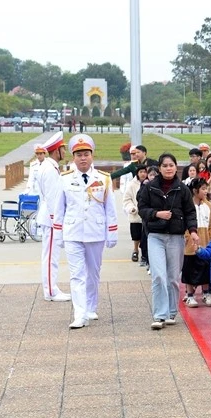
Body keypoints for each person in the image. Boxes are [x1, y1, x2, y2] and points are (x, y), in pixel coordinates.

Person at [51, 135, 118, 329]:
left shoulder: (103, 179)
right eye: (79, 154)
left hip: (95, 232)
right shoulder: (64, 179)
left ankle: (90, 306)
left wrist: (111, 233)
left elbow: (110, 209)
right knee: (77, 275)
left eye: (86, 154)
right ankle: (79, 314)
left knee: (93, 273)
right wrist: (58, 235)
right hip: (73, 232)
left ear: (92, 155)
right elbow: (59, 209)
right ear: (73, 157)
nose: (83, 158)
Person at [137, 153, 200, 330]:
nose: (168, 168)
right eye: (164, 165)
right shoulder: (149, 188)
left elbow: (190, 212)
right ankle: (159, 315)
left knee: (172, 277)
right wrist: (156, 214)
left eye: (171, 165)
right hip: (155, 236)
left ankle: (172, 311)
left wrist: (193, 231)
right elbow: (142, 209)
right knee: (158, 275)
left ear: (176, 167)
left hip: (176, 237)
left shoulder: (182, 189)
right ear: (159, 168)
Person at [36, 132, 70, 302]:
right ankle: (50, 291)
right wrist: (57, 223)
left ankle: (51, 288)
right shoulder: (50, 169)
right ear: (57, 150)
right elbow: (52, 199)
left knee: (51, 256)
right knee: (50, 257)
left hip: (50, 219)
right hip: (51, 220)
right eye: (63, 148)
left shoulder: (50, 167)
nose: (65, 152)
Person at [182, 178, 211, 308]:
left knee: (206, 269)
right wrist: (187, 236)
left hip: (205, 243)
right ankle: (190, 295)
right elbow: (183, 223)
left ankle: (207, 293)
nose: (205, 191)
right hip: (190, 245)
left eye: (206, 188)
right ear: (194, 190)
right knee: (189, 269)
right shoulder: (187, 205)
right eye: (203, 189)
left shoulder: (208, 205)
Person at [122, 165, 148, 263]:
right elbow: (127, 199)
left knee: (145, 235)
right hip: (136, 214)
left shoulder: (150, 183)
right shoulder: (132, 185)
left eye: (145, 172)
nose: (143, 174)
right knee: (136, 234)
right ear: (137, 173)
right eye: (141, 172)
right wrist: (131, 208)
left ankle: (145, 254)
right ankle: (135, 250)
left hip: (147, 215)